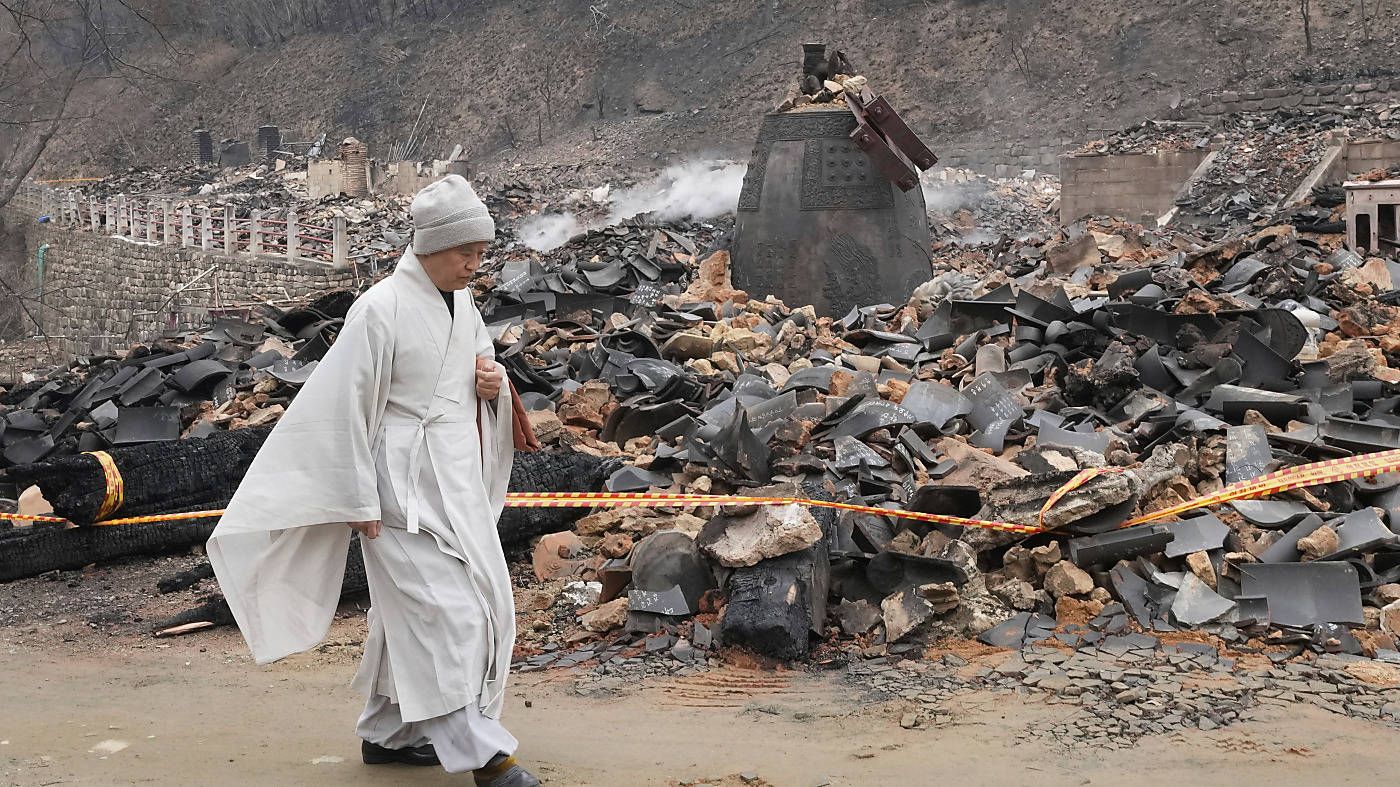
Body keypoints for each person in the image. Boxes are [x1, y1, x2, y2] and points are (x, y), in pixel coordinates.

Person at [208, 174, 541, 786]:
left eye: (481, 251)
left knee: (414, 609)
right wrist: (356, 495)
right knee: (447, 613)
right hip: (398, 486)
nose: (475, 264)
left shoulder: (461, 304)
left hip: (456, 479)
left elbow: (473, 371)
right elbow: (348, 405)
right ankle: (482, 756)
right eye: (465, 252)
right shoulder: (379, 309)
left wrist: (490, 385)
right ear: (431, 246)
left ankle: (387, 733)